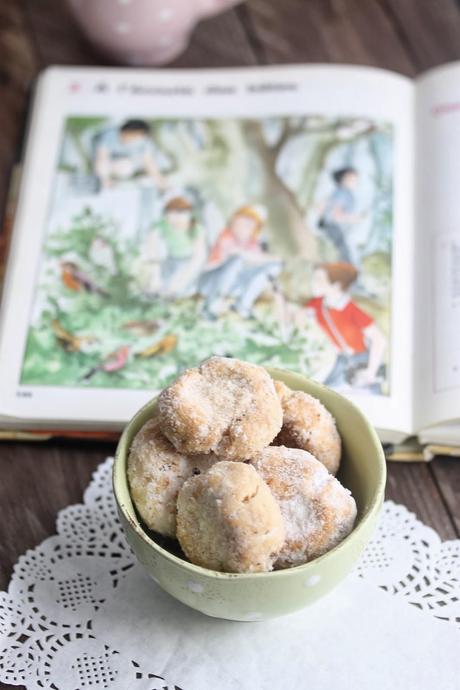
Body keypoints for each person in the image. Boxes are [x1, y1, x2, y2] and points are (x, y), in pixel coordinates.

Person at [306, 262, 386, 392]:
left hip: (359, 363)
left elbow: (379, 340)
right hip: (338, 362)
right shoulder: (317, 304)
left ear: (336, 285)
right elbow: (295, 318)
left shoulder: (351, 310)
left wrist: (371, 371)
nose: (313, 283)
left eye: (319, 279)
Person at [199, 205, 282, 319]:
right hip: (212, 282)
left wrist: (272, 262)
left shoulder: (252, 243)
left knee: (273, 267)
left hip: (234, 284)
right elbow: (240, 254)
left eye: (252, 223)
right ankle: (211, 306)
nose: (247, 225)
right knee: (237, 260)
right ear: (235, 220)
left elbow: (257, 260)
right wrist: (271, 258)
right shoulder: (226, 235)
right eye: (244, 220)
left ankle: (243, 305)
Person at [137, 196, 206, 298]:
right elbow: (152, 247)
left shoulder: (196, 229)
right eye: (171, 217)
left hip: (188, 262)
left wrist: (178, 284)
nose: (176, 222)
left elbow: (198, 258)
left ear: (188, 215)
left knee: (175, 290)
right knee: (151, 288)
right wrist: (155, 277)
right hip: (171, 259)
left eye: (181, 216)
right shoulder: (163, 224)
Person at [92, 119, 167, 190]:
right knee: (103, 166)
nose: (133, 138)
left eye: (137, 136)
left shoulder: (144, 142)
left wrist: (160, 180)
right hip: (110, 165)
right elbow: (101, 158)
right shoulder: (111, 135)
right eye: (132, 135)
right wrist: (104, 179)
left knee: (126, 167)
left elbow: (149, 163)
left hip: (129, 166)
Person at [318, 167, 363, 263]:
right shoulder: (343, 193)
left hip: (331, 227)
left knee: (341, 253)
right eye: (352, 179)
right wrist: (353, 219)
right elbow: (335, 215)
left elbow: (324, 208)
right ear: (344, 179)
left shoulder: (342, 192)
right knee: (343, 254)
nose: (356, 182)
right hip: (332, 227)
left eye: (356, 179)